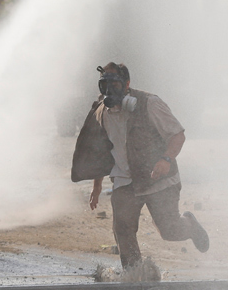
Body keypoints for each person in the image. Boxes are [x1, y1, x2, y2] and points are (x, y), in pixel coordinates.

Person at [71, 62, 209, 270]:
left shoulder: (149, 104)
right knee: (123, 231)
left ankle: (190, 226)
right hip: (125, 182)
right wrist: (97, 185)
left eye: (115, 85)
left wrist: (166, 159)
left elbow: (177, 134)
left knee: (169, 231)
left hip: (158, 180)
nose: (109, 91)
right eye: (104, 85)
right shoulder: (102, 113)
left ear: (127, 84)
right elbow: (101, 151)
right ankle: (135, 278)